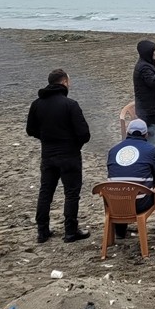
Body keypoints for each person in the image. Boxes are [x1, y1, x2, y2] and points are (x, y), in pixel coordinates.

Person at [25, 68, 91, 243]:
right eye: (69, 82)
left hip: (48, 153)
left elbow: (30, 130)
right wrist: (74, 144)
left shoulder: (37, 104)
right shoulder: (70, 105)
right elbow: (84, 134)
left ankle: (42, 231)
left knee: (46, 192)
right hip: (69, 155)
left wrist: (46, 138)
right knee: (71, 193)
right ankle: (70, 231)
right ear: (64, 82)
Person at [107, 119, 155, 240]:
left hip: (114, 203)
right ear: (146, 134)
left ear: (127, 132)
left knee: (121, 185)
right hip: (140, 204)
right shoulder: (151, 150)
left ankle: (120, 232)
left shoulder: (113, 151)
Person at [132, 40, 155, 150]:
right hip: (148, 109)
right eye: (154, 51)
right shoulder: (144, 67)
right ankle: (154, 155)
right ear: (148, 53)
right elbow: (154, 82)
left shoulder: (146, 64)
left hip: (149, 107)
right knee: (152, 136)